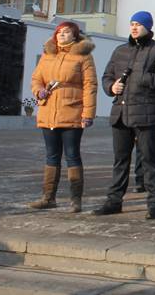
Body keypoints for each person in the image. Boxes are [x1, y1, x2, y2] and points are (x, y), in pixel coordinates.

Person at [94, 11, 155, 220]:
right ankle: (114, 202)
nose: (134, 27)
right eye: (132, 23)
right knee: (120, 161)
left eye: (138, 24)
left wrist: (147, 78)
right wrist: (111, 87)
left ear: (148, 27)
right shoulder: (120, 50)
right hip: (121, 114)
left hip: (146, 115)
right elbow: (106, 76)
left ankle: (154, 205)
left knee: (149, 160)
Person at [28, 22, 97, 212]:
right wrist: (39, 91)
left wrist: (88, 114)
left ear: (75, 36)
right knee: (51, 155)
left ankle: (76, 200)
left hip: (72, 112)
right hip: (49, 112)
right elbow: (36, 79)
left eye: (66, 32)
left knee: (72, 155)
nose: (62, 35)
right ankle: (48, 197)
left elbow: (90, 86)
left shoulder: (84, 56)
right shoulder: (47, 55)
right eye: (59, 32)